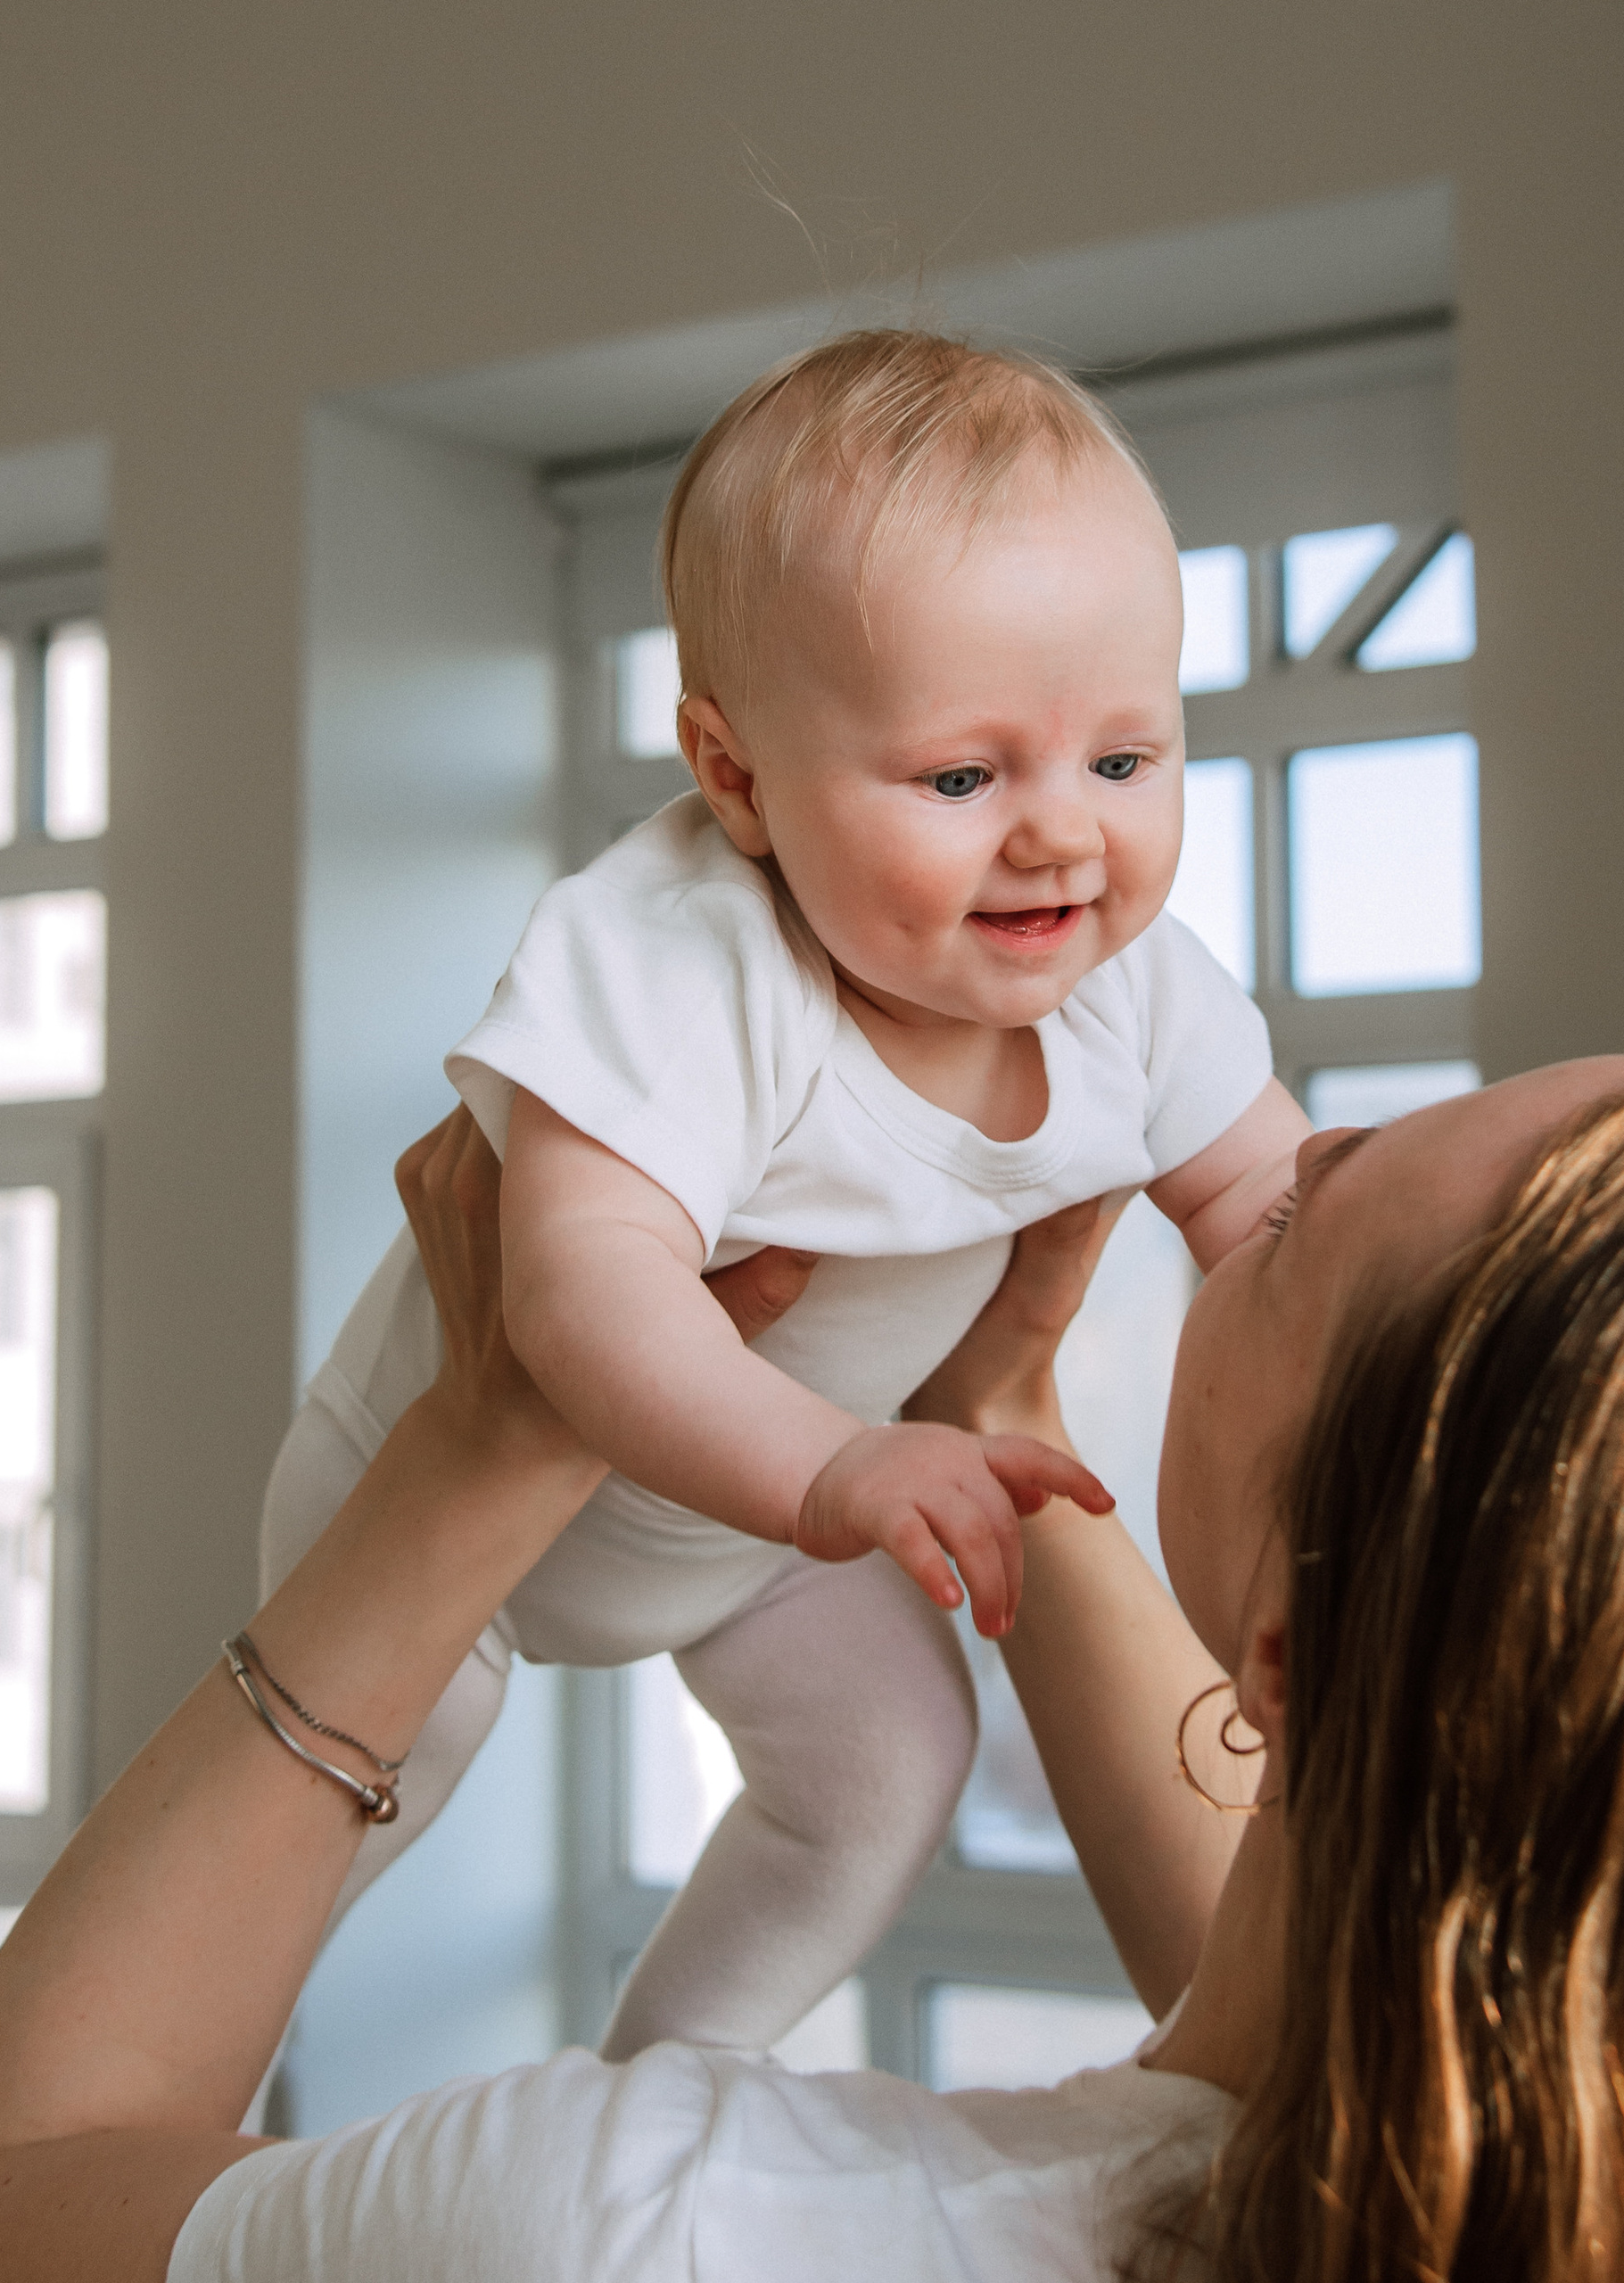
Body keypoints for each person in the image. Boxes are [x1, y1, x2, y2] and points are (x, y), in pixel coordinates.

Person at [0, 1052, 1624, 2280]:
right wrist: (1005, 1409)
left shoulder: (664, 2228)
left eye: (1298, 1203)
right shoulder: (1594, 2178)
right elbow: (1290, 1965)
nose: (1231, 1162)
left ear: (1292, 1653)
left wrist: (485, 1439)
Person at [260, 327, 1307, 2061]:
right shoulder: (682, 961)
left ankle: (660, 2078)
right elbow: (582, 1290)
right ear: (733, 776)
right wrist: (833, 1462)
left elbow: (1284, 1212)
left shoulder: (1139, 989)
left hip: (757, 1548)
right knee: (372, 1766)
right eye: (962, 778)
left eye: (1123, 760)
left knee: (888, 1761)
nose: (1060, 835)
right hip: (445, 1496)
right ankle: (172, 2073)